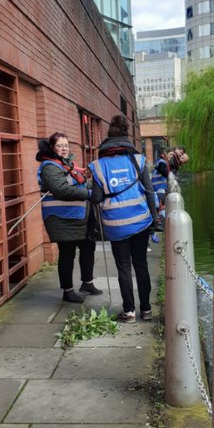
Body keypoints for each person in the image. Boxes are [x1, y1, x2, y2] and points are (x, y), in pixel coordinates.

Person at [90, 115, 159, 323]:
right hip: (140, 221)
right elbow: (149, 191)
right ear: (127, 137)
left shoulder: (98, 166)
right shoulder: (138, 160)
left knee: (124, 267)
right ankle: (146, 309)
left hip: (115, 226)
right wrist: (154, 220)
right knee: (141, 265)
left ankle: (128, 311)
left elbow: (96, 198)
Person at [36, 133, 103, 304]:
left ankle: (87, 283)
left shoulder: (68, 164)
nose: (64, 148)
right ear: (52, 148)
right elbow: (61, 190)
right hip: (62, 218)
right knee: (67, 254)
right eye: (60, 145)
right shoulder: (49, 167)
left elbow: (79, 183)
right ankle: (68, 291)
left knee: (88, 248)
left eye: (66, 145)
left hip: (80, 217)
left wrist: (97, 186)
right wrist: (89, 193)